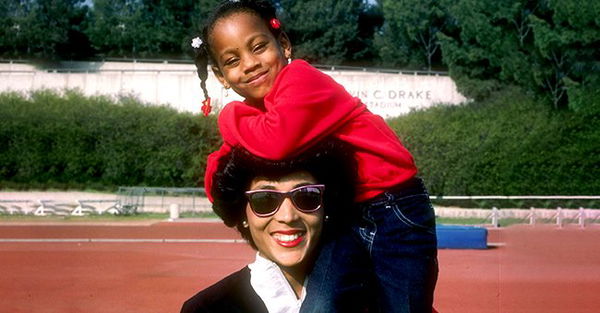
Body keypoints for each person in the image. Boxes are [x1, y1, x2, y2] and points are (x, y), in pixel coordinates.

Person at [191, 1, 438, 312]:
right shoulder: (262, 111)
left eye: (258, 47)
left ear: (283, 44)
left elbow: (275, 143)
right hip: (349, 215)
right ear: (221, 76)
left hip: (395, 208)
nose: (250, 63)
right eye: (233, 60)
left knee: (402, 307)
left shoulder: (300, 81)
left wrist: (228, 117)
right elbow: (230, 160)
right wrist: (219, 167)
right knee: (320, 305)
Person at [180, 139, 374, 313]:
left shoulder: (374, 298)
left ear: (326, 208)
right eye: (264, 200)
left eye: (307, 196)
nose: (287, 216)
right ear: (243, 214)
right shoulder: (205, 309)